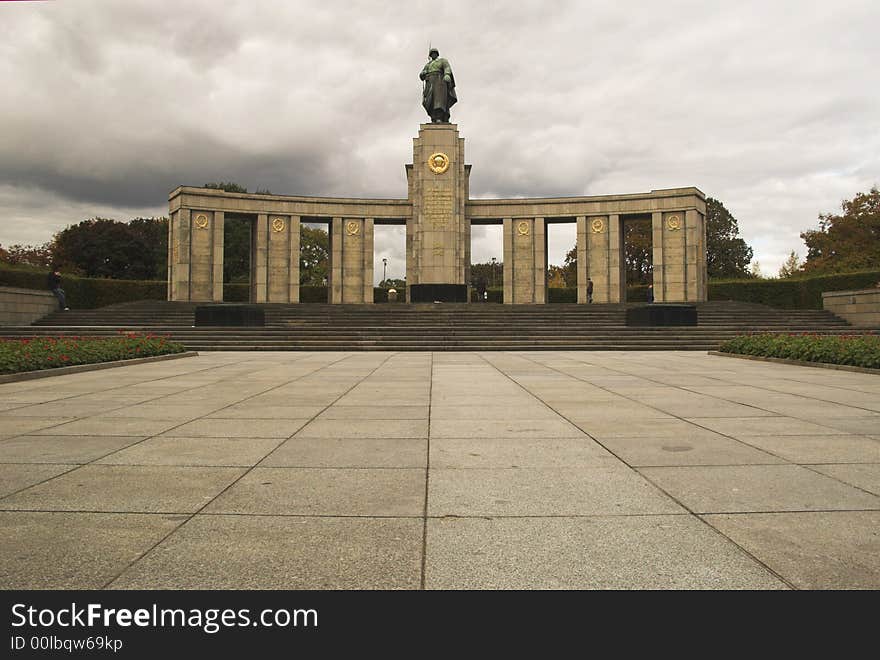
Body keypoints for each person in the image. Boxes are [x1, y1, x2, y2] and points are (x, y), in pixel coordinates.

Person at [420, 48, 457, 123]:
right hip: (430, 82)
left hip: (439, 81)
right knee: (430, 101)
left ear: (437, 54)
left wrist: (447, 74)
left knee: (439, 100)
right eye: (432, 53)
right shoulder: (428, 65)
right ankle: (433, 117)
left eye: (434, 53)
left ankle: (439, 117)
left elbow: (447, 67)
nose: (433, 54)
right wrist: (422, 73)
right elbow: (421, 75)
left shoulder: (442, 61)